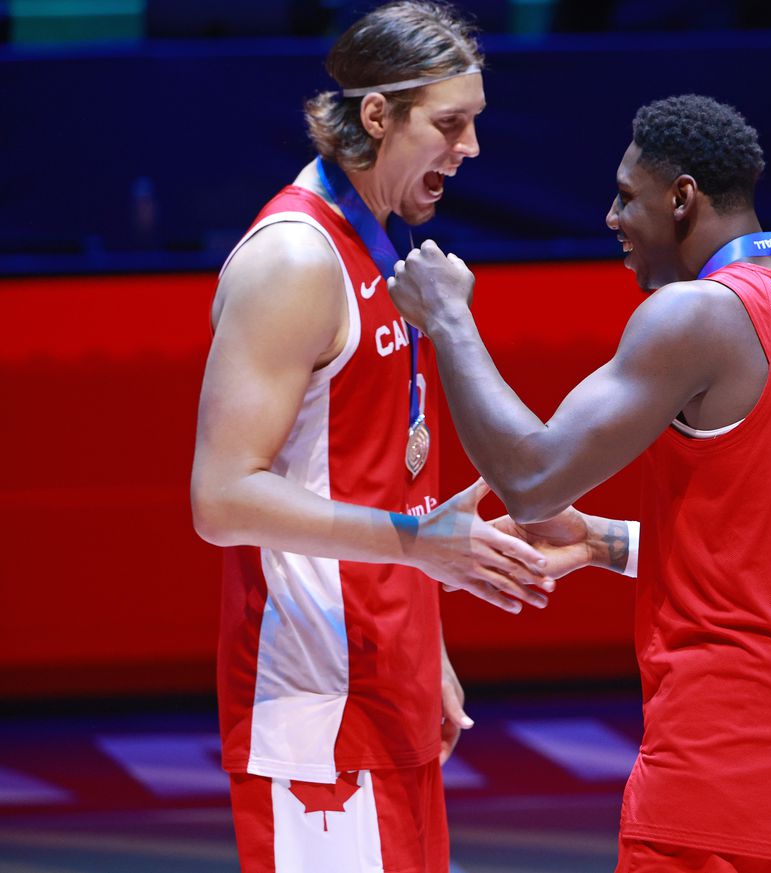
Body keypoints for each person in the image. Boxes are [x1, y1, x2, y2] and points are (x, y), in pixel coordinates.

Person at [388, 94, 771, 872]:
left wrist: (448, 319)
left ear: (681, 198)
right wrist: (598, 540)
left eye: (628, 196)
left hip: (735, 718)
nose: (612, 217)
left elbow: (531, 477)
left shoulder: (699, 316)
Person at [190, 3, 628, 870]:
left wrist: (422, 640)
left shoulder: (380, 245)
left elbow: (374, 480)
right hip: (317, 708)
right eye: (450, 124)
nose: (469, 150)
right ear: (379, 115)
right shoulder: (294, 259)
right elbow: (221, 497)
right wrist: (417, 544)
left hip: (384, 685)